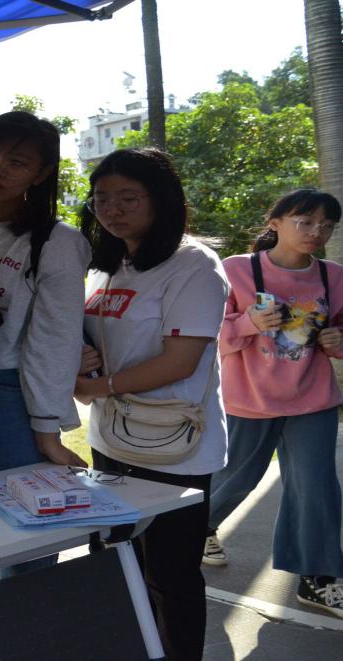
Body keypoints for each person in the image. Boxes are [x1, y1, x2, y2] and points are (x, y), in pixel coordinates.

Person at [76, 148, 228, 660]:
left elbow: (179, 361)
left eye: (128, 198)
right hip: (110, 438)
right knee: (121, 564)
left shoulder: (193, 264)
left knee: (170, 575)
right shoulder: (107, 266)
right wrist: (82, 358)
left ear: (161, 200)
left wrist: (96, 387)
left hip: (174, 446)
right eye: (102, 199)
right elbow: (100, 336)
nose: (112, 210)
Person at [0, 112, 88, 580]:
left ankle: (23, 614)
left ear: (42, 173)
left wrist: (47, 428)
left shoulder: (57, 242)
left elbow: (56, 337)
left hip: (5, 390)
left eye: (17, 162)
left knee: (26, 526)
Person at [203, 189, 343, 618]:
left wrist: (338, 340)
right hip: (249, 399)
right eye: (306, 221)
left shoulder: (335, 276)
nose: (316, 232)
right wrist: (248, 322)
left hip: (313, 400)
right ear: (275, 222)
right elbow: (206, 335)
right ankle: (195, 529)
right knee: (234, 479)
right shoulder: (236, 270)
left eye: (326, 225)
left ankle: (318, 578)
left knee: (317, 487)